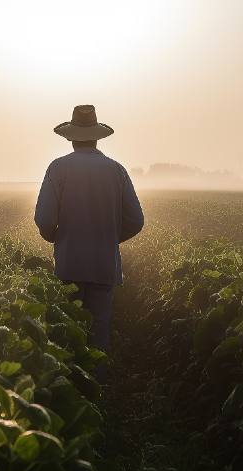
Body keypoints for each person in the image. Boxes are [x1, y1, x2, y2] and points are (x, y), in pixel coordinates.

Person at [34, 104, 144, 362]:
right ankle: (98, 393)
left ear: (71, 138)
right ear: (96, 137)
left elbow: (44, 218)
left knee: (68, 334)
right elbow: (136, 220)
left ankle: (72, 390)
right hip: (103, 266)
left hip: (69, 265)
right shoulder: (116, 170)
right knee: (98, 337)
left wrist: (58, 238)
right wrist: (108, 238)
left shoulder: (58, 168)